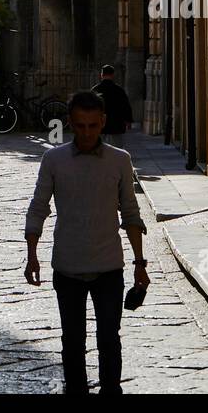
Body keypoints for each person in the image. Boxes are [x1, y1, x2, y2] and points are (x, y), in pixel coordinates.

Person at [23, 90, 149, 396]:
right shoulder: (54, 159)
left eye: (93, 125)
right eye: (80, 126)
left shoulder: (120, 161)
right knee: (73, 341)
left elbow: (131, 214)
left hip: (109, 266)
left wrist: (139, 265)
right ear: (71, 123)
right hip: (67, 266)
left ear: (103, 122)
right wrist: (32, 255)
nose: (87, 132)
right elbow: (39, 206)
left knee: (109, 339)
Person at [92, 65, 133, 149]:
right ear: (113, 75)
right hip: (116, 122)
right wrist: (128, 120)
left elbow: (90, 106)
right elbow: (125, 106)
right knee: (118, 148)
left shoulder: (95, 90)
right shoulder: (119, 90)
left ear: (101, 75)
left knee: (97, 147)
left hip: (100, 122)